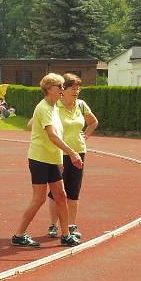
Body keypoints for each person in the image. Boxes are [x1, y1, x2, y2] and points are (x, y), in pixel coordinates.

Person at [11, 73, 82, 248]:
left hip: (51, 159)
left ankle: (65, 235)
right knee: (39, 198)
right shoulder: (43, 108)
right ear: (50, 89)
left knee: (61, 195)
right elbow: (51, 136)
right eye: (60, 87)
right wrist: (72, 153)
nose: (62, 90)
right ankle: (18, 235)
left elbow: (56, 135)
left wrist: (59, 159)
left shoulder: (54, 108)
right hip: (39, 159)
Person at [46, 73, 99, 239]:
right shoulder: (55, 107)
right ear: (63, 90)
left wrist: (85, 136)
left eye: (78, 88)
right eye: (72, 88)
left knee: (73, 190)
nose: (76, 91)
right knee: (57, 191)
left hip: (78, 153)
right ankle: (53, 225)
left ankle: (71, 224)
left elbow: (93, 122)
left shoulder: (81, 105)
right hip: (59, 153)